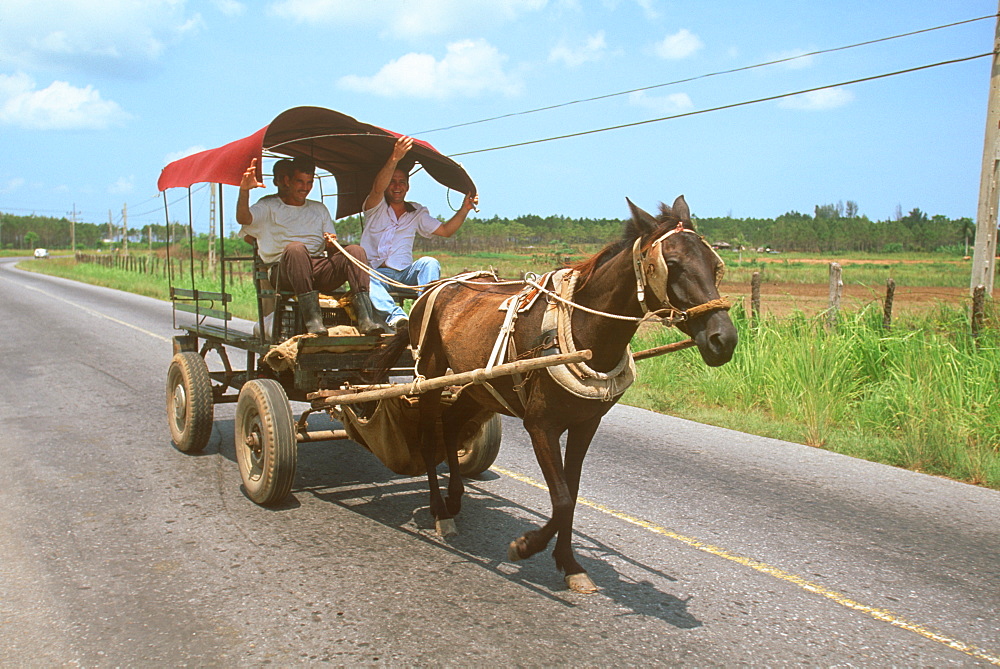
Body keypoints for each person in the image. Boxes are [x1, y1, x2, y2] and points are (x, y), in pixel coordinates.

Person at [236, 156, 390, 336]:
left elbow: (332, 250)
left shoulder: (319, 209)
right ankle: (313, 321)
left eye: (309, 182)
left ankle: (366, 319)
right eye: (300, 181)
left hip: (316, 267)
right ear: (287, 181)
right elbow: (243, 219)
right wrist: (244, 191)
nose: (305, 187)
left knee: (355, 250)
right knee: (296, 249)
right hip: (283, 271)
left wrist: (330, 244)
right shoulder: (268, 205)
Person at [360, 135, 479, 328]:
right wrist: (395, 157)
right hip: (377, 273)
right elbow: (377, 188)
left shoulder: (416, 211)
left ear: (407, 186)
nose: (397, 186)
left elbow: (445, 231)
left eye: (402, 182)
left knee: (429, 262)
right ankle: (395, 316)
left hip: (404, 273)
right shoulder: (374, 206)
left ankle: (425, 311)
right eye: (392, 181)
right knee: (363, 274)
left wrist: (464, 209)